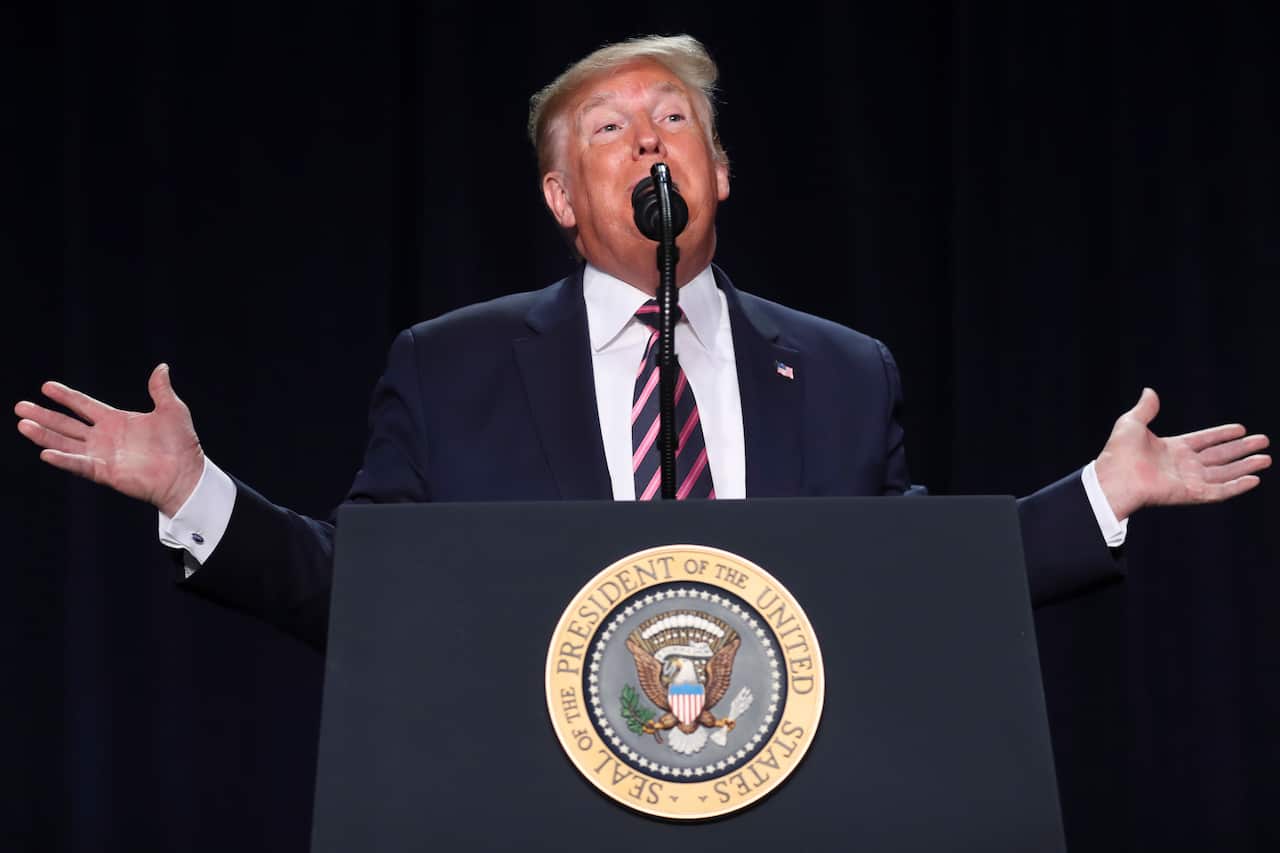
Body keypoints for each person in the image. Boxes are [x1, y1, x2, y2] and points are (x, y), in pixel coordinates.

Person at [14, 35, 1270, 650]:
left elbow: (908, 584)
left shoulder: (840, 370)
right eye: (608, 130)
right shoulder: (450, 365)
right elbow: (364, 597)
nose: (649, 139)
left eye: (673, 118)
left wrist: (1102, 492)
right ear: (562, 198)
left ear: (717, 169)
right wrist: (195, 493)